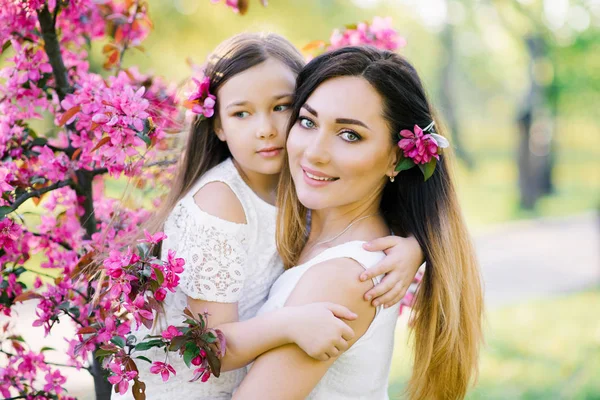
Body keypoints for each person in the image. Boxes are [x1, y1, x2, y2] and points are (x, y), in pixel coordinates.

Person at [114, 34, 424, 399]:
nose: (266, 129)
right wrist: (289, 324)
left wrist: (415, 246)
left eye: (282, 107)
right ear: (218, 126)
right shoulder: (220, 203)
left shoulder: (304, 187)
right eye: (241, 113)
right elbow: (204, 346)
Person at [234, 46, 484, 400]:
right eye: (307, 121)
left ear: (396, 160)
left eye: (349, 135)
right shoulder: (306, 226)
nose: (314, 152)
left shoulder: (345, 278)